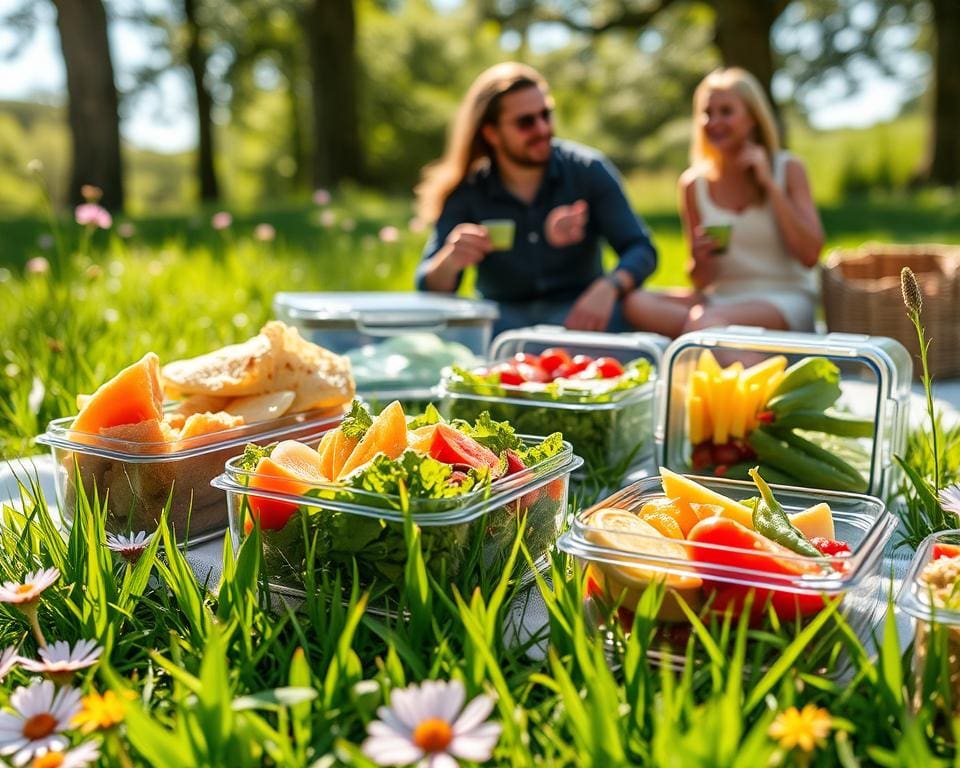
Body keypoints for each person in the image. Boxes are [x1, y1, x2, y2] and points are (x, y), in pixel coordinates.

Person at [414, 62, 657, 335]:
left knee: (643, 311)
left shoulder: (587, 170)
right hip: (502, 326)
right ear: (491, 133)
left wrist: (609, 286)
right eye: (525, 122)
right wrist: (450, 260)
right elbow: (427, 286)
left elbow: (641, 249)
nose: (542, 128)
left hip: (582, 320)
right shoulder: (468, 189)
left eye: (546, 114)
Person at [623, 67, 824, 337]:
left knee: (706, 322)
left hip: (785, 298)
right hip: (722, 300)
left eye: (726, 111)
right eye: (707, 113)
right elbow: (701, 280)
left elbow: (810, 255)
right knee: (636, 303)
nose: (714, 122)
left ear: (752, 117)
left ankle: (710, 341)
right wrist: (699, 258)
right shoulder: (694, 184)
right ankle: (741, 354)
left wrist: (770, 186)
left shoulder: (787, 168)